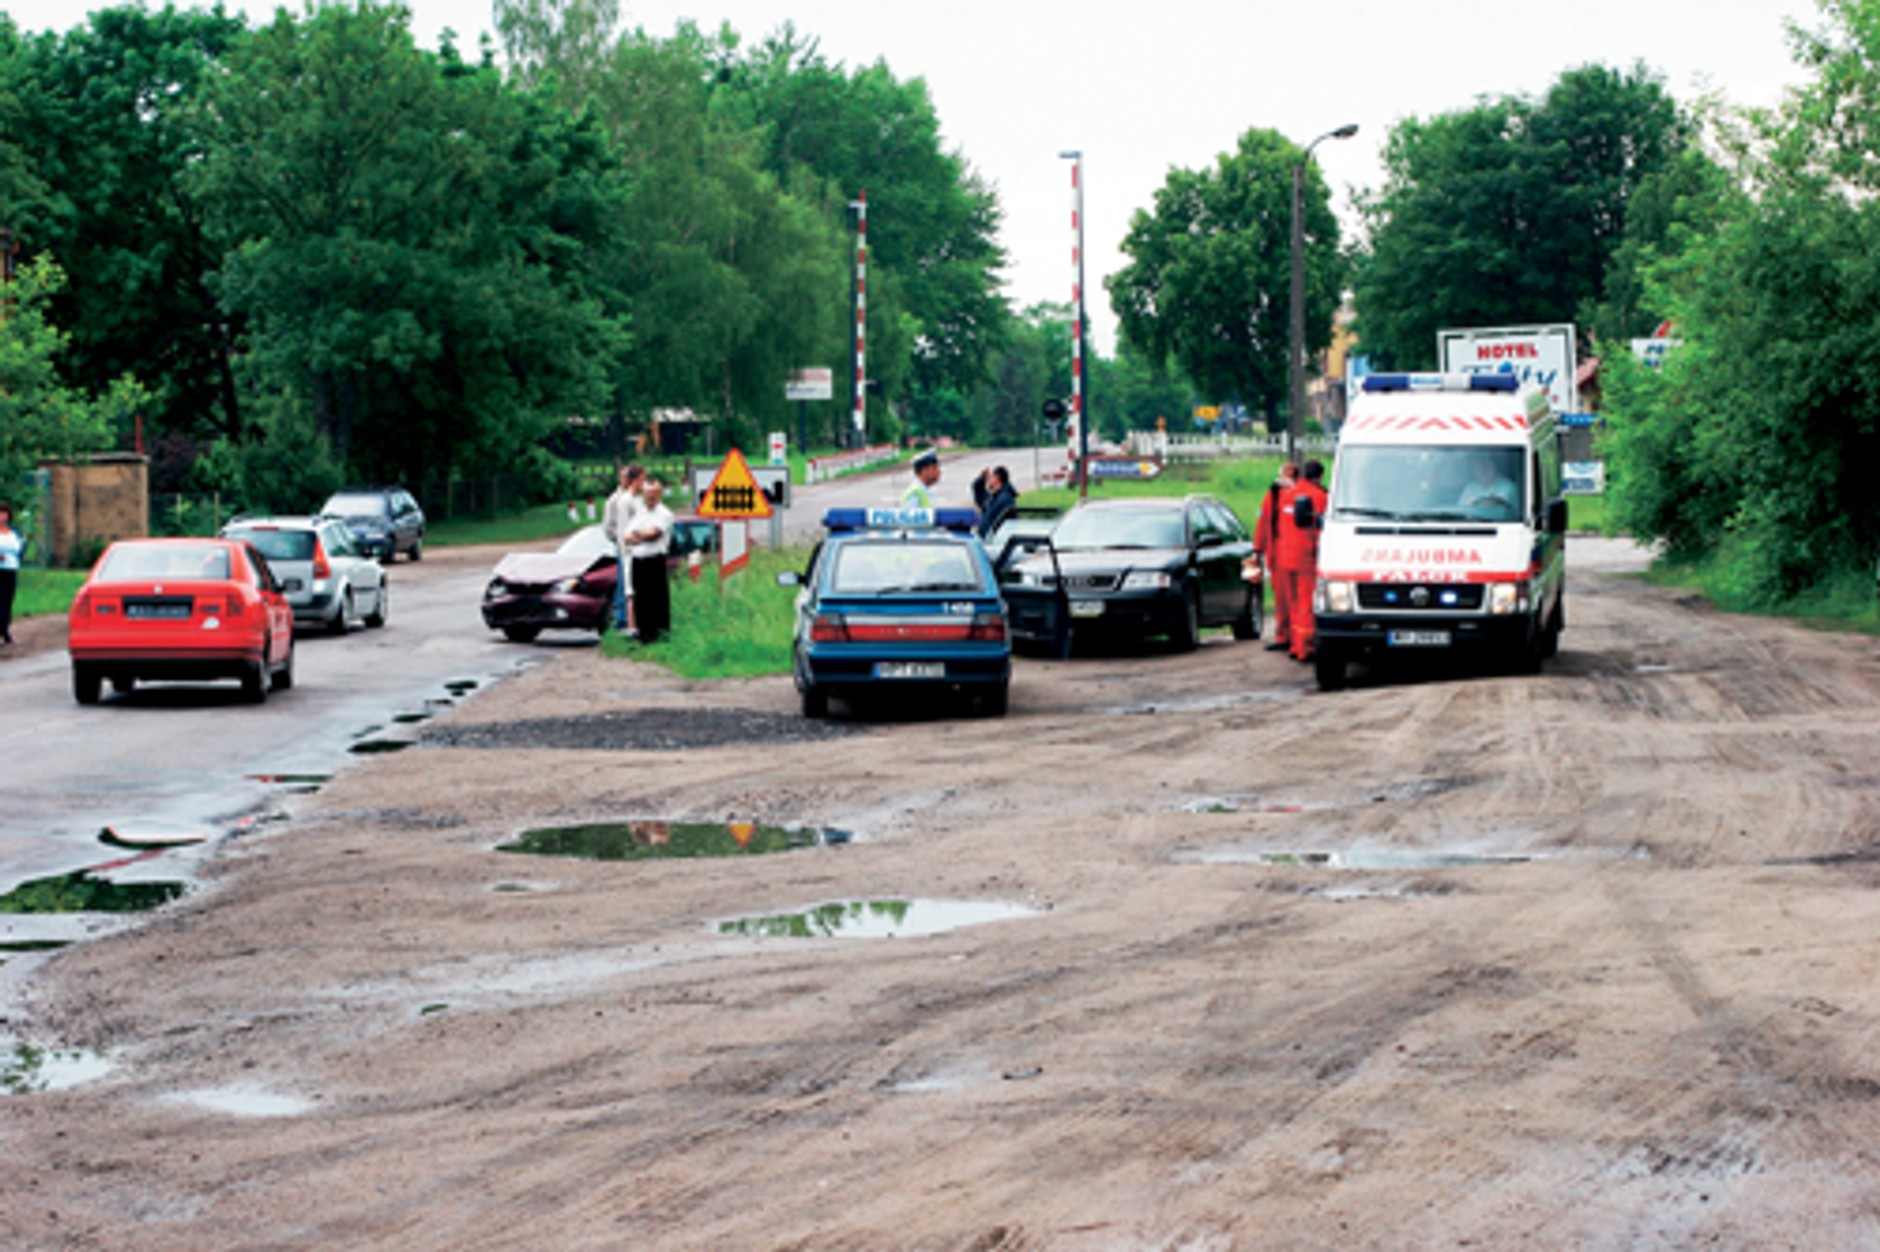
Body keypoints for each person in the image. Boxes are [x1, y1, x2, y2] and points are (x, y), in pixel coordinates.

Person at [1277, 460, 1328, 662]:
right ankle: (1305, 648)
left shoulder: (1287, 495)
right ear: (1320, 477)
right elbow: (1322, 530)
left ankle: (1294, 645)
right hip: (1306, 555)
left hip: (1285, 555)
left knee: (1293, 602)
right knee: (1306, 603)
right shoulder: (1319, 496)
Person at [1252, 463, 1297, 653]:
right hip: (1278, 555)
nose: (1283, 478)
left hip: (1292, 555)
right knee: (1282, 599)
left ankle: (1296, 639)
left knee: (1296, 599)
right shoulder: (1274, 494)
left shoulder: (1298, 494)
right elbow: (1263, 522)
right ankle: (1285, 636)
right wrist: (1258, 550)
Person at [624, 477, 675, 644]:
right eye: (647, 493)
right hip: (638, 560)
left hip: (655, 560)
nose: (650, 497)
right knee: (640, 599)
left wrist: (638, 534)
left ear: (659, 493)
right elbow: (626, 537)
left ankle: (659, 634)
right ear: (643, 494)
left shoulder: (665, 513)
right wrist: (641, 534)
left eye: (654, 493)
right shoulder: (640, 513)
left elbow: (654, 534)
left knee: (656, 598)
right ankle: (643, 635)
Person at [602, 464, 645, 634]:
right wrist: (620, 541)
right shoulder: (616, 500)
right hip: (624, 547)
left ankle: (634, 620)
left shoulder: (637, 498)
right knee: (623, 584)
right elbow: (608, 527)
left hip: (638, 548)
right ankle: (622, 621)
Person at [972, 465, 1018, 540]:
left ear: (997, 478)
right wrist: (981, 479)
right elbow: (979, 493)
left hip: (995, 543)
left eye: (991, 476)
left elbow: (999, 523)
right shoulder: (994, 497)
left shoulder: (1005, 499)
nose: (988, 479)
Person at [0, 501, 21, 646]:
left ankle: (6, 631)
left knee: (8, 601)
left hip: (11, 569)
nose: (2, 516)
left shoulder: (12, 533)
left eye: (4, 513)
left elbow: (18, 549)